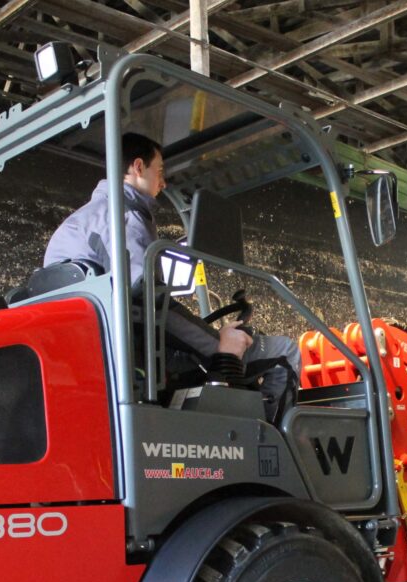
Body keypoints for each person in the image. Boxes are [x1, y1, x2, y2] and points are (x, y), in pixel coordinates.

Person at [45, 132, 301, 420]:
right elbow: (148, 305)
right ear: (138, 167)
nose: (163, 183)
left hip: (107, 355)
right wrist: (217, 344)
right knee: (286, 352)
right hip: (135, 358)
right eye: (160, 172)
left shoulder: (81, 221)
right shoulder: (125, 220)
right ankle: (267, 443)